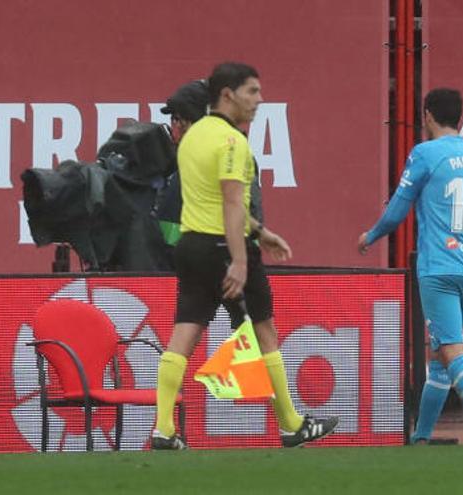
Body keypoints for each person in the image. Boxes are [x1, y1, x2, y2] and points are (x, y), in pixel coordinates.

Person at [152, 62, 338, 449]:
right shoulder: (233, 142)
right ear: (227, 95)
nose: (259, 100)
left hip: (191, 246)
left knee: (183, 333)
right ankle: (291, 424)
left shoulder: (193, 137)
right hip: (225, 247)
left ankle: (164, 428)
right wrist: (240, 257)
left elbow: (211, 199)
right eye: (252, 92)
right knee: (265, 332)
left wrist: (261, 231)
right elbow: (232, 202)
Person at [358, 88, 463, 445]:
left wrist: (371, 235)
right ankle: (421, 437)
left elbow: (398, 208)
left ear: (426, 115)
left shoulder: (425, 153)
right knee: (440, 355)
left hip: (439, 267)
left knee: (453, 350)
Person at [155, 79, 262, 329]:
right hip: (202, 266)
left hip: (223, 270)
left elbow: (241, 213)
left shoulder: (223, 155)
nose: (174, 129)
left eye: (179, 120)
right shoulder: (189, 159)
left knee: (249, 339)